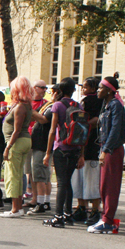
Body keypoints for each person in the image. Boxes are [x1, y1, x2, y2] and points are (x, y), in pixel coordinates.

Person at [88, 76, 125, 234]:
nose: (98, 90)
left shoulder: (116, 106)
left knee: (110, 186)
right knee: (104, 186)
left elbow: (115, 130)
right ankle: (105, 217)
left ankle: (108, 220)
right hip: (105, 148)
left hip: (112, 150)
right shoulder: (107, 105)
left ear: (110, 90)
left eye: (100, 88)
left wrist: (105, 151)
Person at [43, 77, 82, 227]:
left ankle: (58, 216)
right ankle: (68, 214)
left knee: (61, 183)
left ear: (59, 90)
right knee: (67, 182)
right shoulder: (78, 105)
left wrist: (48, 152)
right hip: (75, 148)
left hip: (61, 147)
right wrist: (81, 154)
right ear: (73, 90)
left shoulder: (57, 105)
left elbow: (53, 130)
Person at [1, 78, 37, 217]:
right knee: (17, 174)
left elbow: (17, 130)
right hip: (23, 141)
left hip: (17, 141)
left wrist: (8, 147)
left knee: (13, 175)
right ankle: (18, 207)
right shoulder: (26, 105)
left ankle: (15, 209)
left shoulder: (21, 106)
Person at [71, 77, 103, 225]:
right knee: (78, 178)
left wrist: (84, 125)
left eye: (85, 86)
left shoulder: (95, 101)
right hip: (80, 143)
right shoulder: (83, 101)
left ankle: (95, 209)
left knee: (91, 179)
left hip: (92, 144)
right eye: (82, 87)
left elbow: (97, 119)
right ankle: (81, 207)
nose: (83, 89)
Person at [28, 85, 56, 215]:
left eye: (52, 92)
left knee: (40, 175)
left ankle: (41, 203)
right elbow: (35, 117)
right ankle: (44, 201)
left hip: (42, 145)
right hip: (38, 143)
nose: (50, 93)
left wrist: (29, 108)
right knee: (42, 175)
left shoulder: (54, 107)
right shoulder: (47, 105)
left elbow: (43, 119)